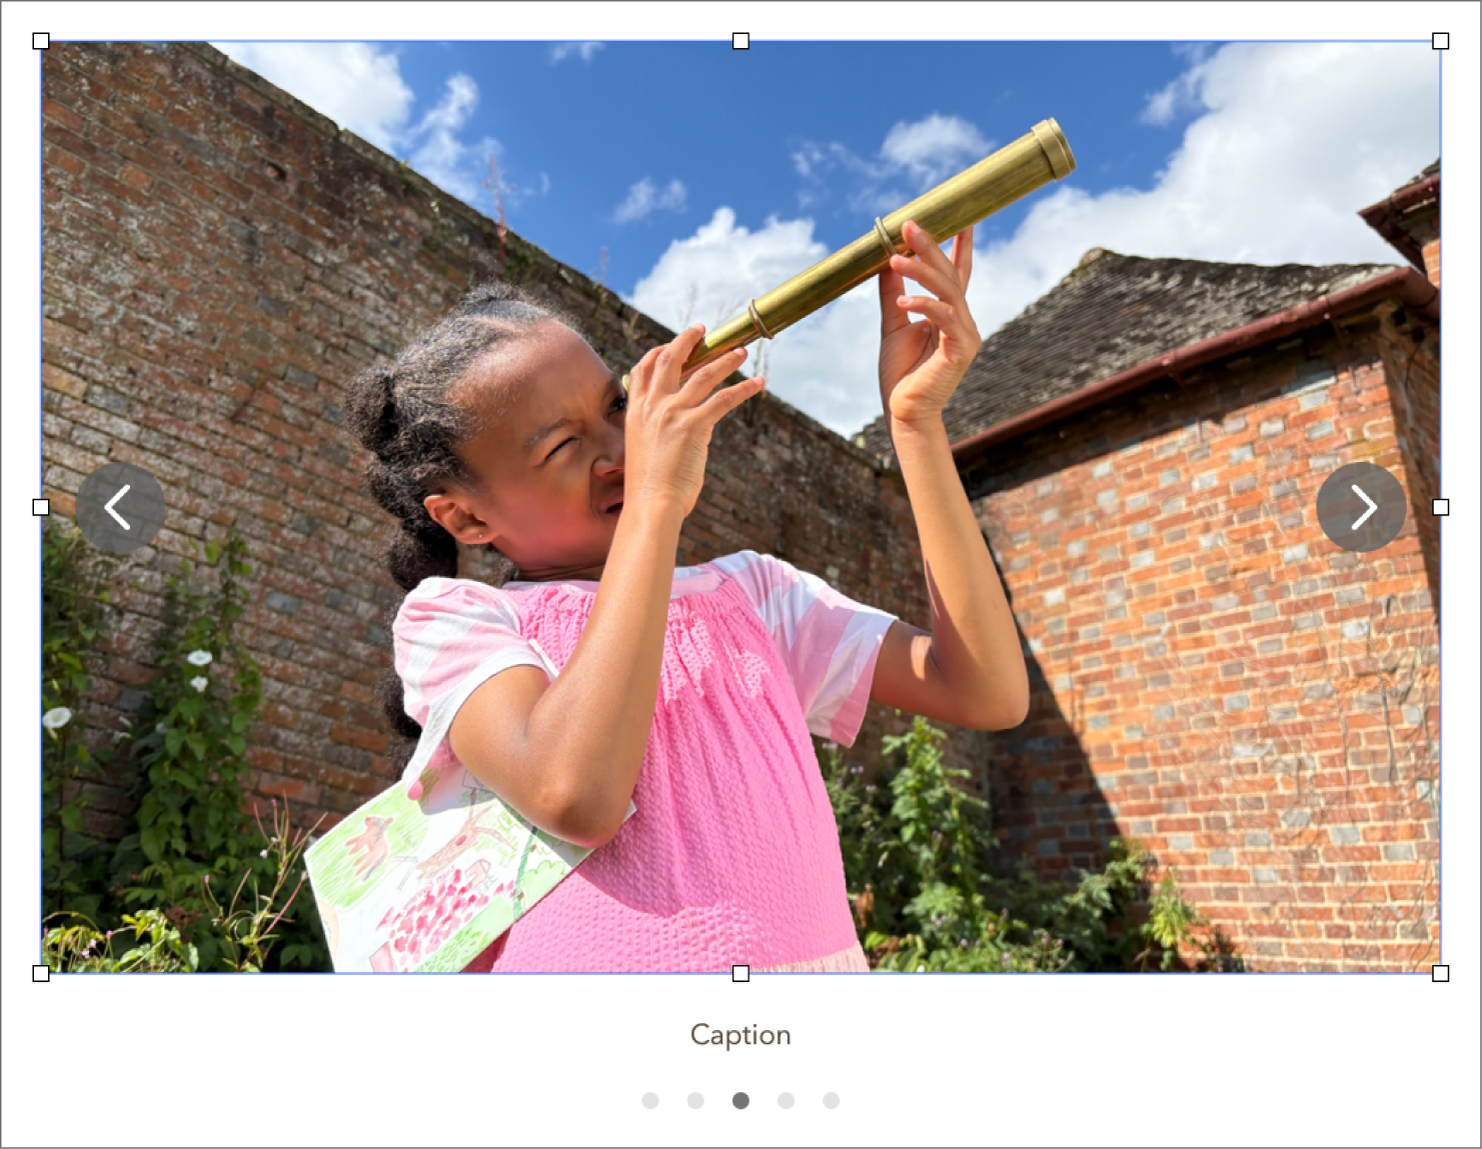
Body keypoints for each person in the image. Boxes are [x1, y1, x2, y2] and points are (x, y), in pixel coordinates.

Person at [344, 219, 1029, 972]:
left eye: (616, 406)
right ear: (466, 516)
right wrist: (654, 510)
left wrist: (917, 422)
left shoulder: (755, 596)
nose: (620, 449)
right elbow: (576, 793)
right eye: (564, 446)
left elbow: (986, 691)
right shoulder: (457, 620)